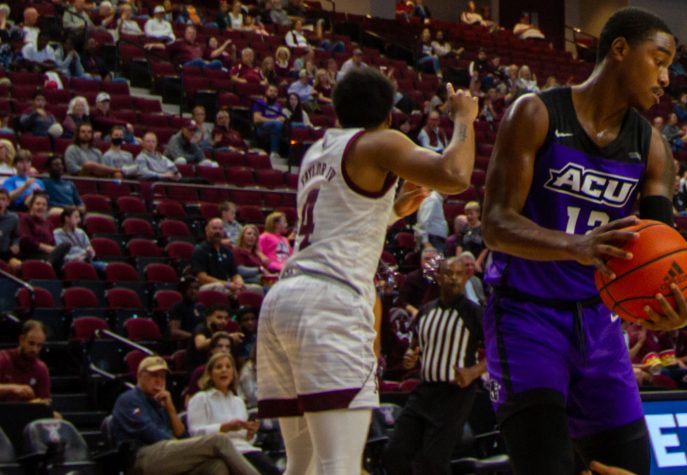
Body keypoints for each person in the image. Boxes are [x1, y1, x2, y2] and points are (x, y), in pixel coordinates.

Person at [480, 9, 687, 475]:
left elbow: (662, 247)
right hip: (525, 315)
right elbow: (495, 225)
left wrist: (680, 305)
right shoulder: (537, 112)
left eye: (669, 68)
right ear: (619, 50)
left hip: (599, 323)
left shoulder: (652, 146)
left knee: (630, 469)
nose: (665, 79)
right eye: (658, 61)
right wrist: (575, 246)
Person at [251, 71, 479, 475]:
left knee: (300, 465)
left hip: (283, 300)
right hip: (329, 302)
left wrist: (392, 209)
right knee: (339, 466)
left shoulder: (317, 150)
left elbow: (337, 222)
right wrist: (464, 117)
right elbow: (455, 174)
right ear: (388, 116)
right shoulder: (379, 141)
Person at [386, 253, 486, 475]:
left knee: (433, 461)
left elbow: (497, 351)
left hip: (455, 395)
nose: (454, 279)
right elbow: (416, 347)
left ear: (466, 278)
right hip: (424, 391)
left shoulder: (474, 313)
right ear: (439, 277)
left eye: (460, 274)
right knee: (395, 452)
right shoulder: (425, 311)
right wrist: (411, 358)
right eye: (449, 273)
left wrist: (473, 372)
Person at [107, 353, 265, 475]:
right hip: (141, 457)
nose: (159, 381)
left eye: (162, 376)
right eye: (153, 376)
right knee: (218, 440)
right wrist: (185, 446)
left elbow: (182, 436)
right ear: (140, 376)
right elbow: (151, 434)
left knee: (217, 466)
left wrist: (170, 408)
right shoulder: (128, 400)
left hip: (168, 454)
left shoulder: (161, 401)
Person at [184, 349, 255, 445]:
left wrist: (250, 433)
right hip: (217, 451)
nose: (224, 370)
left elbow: (245, 439)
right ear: (210, 374)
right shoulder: (200, 398)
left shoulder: (239, 402)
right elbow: (195, 433)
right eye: (218, 367)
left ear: (233, 373)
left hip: (244, 448)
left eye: (228, 367)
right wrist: (223, 427)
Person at [0, 319, 57, 403]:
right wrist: (13, 388)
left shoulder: (41, 368)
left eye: (39, 345)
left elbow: (45, 400)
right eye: (31, 343)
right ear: (22, 340)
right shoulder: (3, 358)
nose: (35, 349)